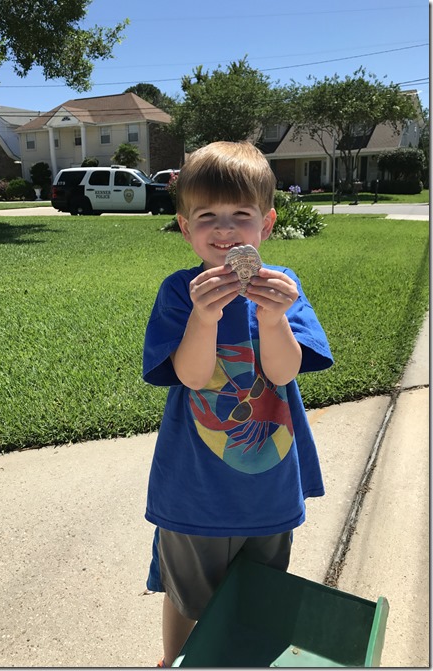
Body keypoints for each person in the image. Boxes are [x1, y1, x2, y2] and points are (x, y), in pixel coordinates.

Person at [142, 141, 333, 667]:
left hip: (269, 481)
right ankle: (175, 660)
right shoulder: (180, 292)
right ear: (186, 228)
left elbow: (283, 372)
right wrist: (203, 319)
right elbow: (191, 375)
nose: (224, 230)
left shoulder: (283, 289)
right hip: (194, 484)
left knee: (259, 595)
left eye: (241, 216)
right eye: (207, 216)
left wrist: (273, 319)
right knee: (186, 593)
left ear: (266, 225)